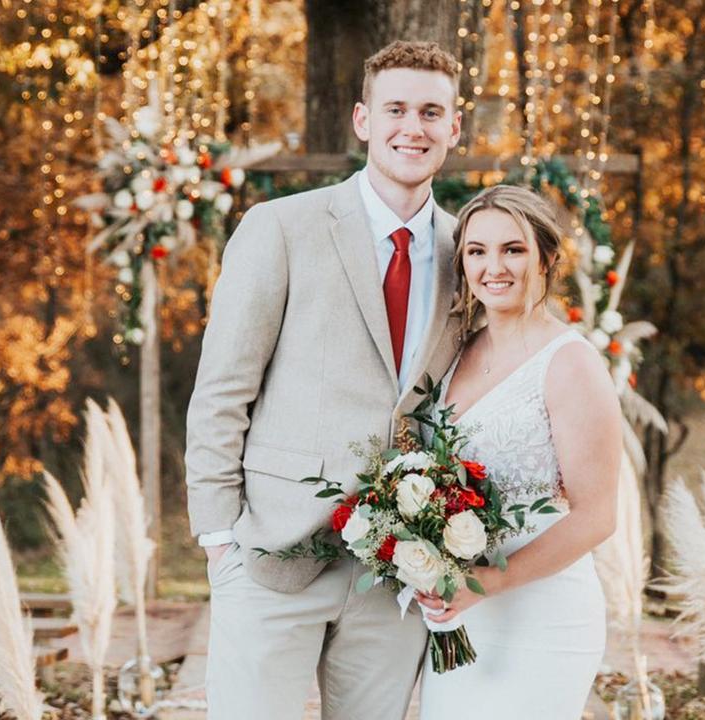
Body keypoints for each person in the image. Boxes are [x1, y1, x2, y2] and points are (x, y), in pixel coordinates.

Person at [183, 40, 463, 719]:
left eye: (432, 112)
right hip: (275, 553)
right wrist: (220, 540)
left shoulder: (468, 251)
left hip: (395, 571)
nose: (413, 128)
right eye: (396, 109)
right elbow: (222, 390)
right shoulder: (281, 227)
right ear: (363, 120)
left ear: (455, 128)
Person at [417, 185, 624, 718]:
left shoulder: (570, 362)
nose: (494, 267)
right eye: (477, 251)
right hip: (460, 617)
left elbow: (597, 516)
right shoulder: (454, 350)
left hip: (542, 617)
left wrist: (490, 581)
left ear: (546, 257)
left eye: (513, 249)